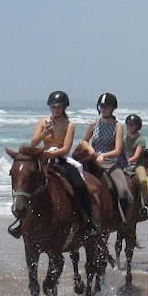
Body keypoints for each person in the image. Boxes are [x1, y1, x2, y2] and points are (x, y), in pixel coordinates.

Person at [27, 90, 98, 237]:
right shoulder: (43, 122)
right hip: (43, 159)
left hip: (60, 159)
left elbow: (66, 148)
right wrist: (43, 134)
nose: (55, 109)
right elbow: (33, 143)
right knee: (26, 181)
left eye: (58, 107)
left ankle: (88, 221)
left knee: (80, 185)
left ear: (64, 107)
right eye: (53, 107)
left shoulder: (69, 125)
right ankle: (22, 221)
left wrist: (49, 154)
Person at [82, 92, 133, 220]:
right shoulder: (94, 124)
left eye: (106, 106)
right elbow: (84, 141)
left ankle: (123, 220)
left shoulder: (118, 126)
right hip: (92, 160)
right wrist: (90, 149)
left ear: (112, 108)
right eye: (101, 106)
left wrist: (103, 156)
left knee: (123, 190)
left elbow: (118, 150)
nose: (103, 109)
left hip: (110, 162)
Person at [123, 113, 148, 219]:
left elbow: (136, 156)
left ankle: (144, 206)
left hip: (137, 164)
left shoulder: (140, 139)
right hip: (125, 164)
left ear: (137, 126)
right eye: (128, 125)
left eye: (132, 125)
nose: (130, 127)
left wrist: (126, 161)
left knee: (143, 180)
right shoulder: (124, 139)